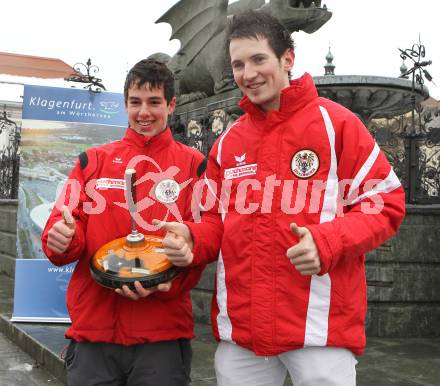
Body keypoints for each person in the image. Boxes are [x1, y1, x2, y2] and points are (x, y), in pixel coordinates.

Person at [158, 10, 406, 386]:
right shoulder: (228, 143)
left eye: (259, 59)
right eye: (238, 64)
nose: (248, 73)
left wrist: (326, 242)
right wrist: (190, 241)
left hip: (320, 333)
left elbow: (385, 203)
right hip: (243, 333)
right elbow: (213, 222)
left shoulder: (337, 124)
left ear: (287, 58)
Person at [41, 59, 205, 386]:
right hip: (94, 333)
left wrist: (181, 263)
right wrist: (61, 240)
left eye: (154, 102)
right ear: (125, 104)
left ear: (171, 105)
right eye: (135, 102)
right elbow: (61, 231)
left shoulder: (194, 165)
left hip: (162, 335)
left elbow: (206, 237)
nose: (144, 112)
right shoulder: (93, 161)